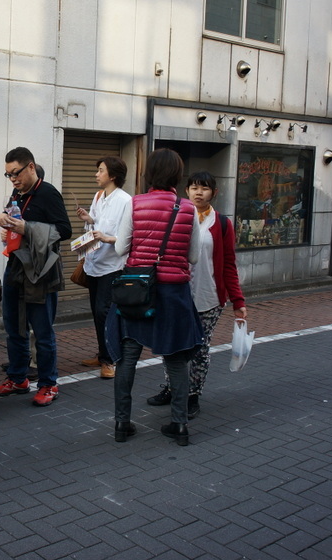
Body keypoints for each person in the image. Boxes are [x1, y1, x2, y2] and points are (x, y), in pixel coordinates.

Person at [106, 148, 204, 446]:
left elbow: (121, 248)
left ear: (148, 174)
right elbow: (194, 256)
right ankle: (180, 425)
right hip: (174, 294)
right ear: (178, 175)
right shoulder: (187, 208)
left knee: (127, 358)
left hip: (137, 292)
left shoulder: (134, 204)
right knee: (176, 360)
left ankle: (122, 423)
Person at [147, 171, 246, 417]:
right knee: (172, 345)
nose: (198, 192)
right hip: (177, 294)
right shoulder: (178, 216)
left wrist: (238, 300)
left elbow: (229, 264)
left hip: (209, 297)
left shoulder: (222, 223)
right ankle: (171, 387)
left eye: (204, 188)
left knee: (200, 349)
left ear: (214, 192)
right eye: (193, 187)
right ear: (186, 191)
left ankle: (193, 394)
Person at [0, 147, 71, 407]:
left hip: (40, 271)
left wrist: (28, 228)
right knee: (13, 327)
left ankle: (49, 383)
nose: (13, 179)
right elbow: (17, 221)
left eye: (16, 173)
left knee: (42, 330)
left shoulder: (48, 193)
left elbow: (65, 230)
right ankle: (18, 378)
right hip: (16, 266)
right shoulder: (17, 193)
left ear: (31, 167)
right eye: (8, 175)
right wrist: (6, 226)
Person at [75, 156, 132, 380]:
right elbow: (95, 224)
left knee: (104, 311)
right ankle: (102, 354)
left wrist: (108, 238)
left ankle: (110, 360)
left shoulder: (126, 201)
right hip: (94, 263)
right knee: (97, 311)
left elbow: (128, 236)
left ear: (113, 175)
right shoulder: (99, 196)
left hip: (112, 265)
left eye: (100, 170)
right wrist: (88, 218)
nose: (96, 174)